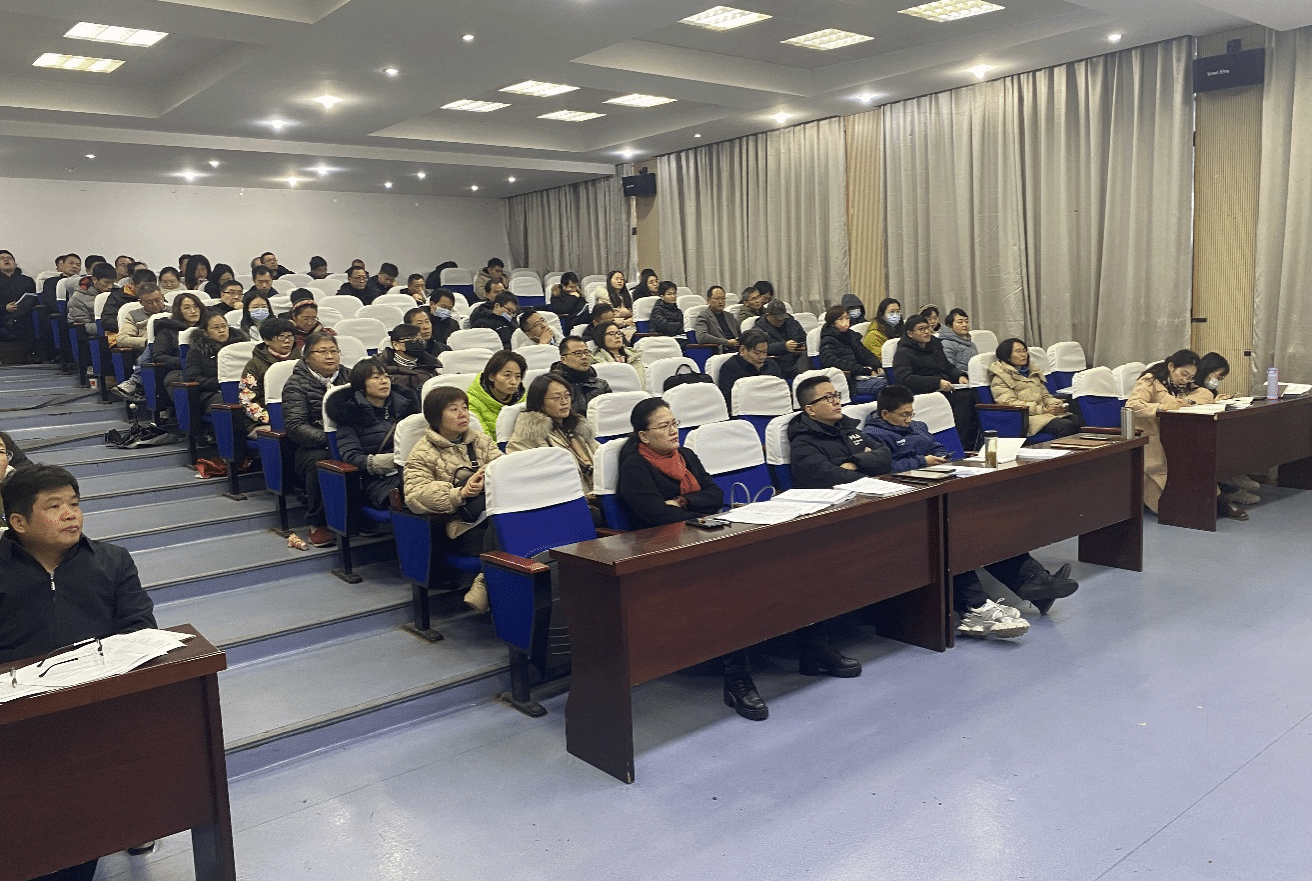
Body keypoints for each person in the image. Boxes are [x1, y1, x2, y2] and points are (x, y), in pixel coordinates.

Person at [0, 464, 158, 881]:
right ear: (18, 522)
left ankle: (122, 825)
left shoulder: (112, 560)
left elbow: (140, 629)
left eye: (74, 503)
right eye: (54, 507)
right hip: (19, 714)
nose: (70, 514)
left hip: (97, 703)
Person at [615, 398, 777, 719]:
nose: (673, 430)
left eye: (674, 423)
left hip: (703, 535)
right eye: (664, 426)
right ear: (644, 436)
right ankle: (737, 679)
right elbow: (655, 515)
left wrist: (682, 501)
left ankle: (812, 646)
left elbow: (715, 495)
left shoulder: (686, 455)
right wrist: (693, 506)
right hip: (662, 551)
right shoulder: (635, 466)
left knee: (777, 562)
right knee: (729, 585)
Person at [403, 385, 502, 613]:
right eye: (454, 409)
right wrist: (460, 493)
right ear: (436, 417)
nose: (463, 414)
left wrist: (487, 476)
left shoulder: (481, 440)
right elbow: (414, 495)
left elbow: (503, 467)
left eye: (465, 408)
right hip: (460, 526)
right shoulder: (421, 453)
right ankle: (491, 587)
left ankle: (485, 581)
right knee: (506, 531)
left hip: (492, 511)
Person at [1126, 350, 1246, 520]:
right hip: (1150, 438)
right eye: (1183, 374)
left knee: (1195, 462)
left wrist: (1189, 402)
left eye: (1190, 377)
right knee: (1164, 484)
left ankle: (1217, 501)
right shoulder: (1150, 380)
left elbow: (1204, 395)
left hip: (1174, 436)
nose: (1185, 379)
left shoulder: (1185, 385)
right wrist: (1160, 408)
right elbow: (1132, 405)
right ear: (1171, 366)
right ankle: (1181, 506)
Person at [507, 374, 602, 522]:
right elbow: (526, 479)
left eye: (567, 396)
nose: (564, 402)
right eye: (556, 398)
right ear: (540, 402)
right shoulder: (527, 435)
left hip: (594, 494)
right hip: (564, 502)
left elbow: (601, 457)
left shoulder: (577, 427)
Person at [284, 332, 349, 547]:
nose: (330, 356)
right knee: (321, 461)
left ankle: (357, 517)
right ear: (307, 356)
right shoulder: (295, 384)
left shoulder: (350, 377)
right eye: (322, 351)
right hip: (311, 447)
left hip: (349, 440)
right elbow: (296, 426)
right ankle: (317, 523)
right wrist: (329, 440)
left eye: (334, 351)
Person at [325, 359, 418, 510]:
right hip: (378, 480)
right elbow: (351, 457)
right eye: (376, 377)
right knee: (420, 492)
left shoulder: (405, 408)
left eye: (386, 376)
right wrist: (392, 461)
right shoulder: (349, 414)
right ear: (361, 384)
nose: (384, 381)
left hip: (412, 471)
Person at [788, 376, 892, 488]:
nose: (837, 402)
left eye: (836, 395)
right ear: (811, 410)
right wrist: (867, 462)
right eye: (828, 397)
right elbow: (830, 477)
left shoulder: (848, 429)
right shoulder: (803, 443)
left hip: (870, 488)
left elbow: (885, 456)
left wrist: (854, 463)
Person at [893, 314, 978, 451]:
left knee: (972, 394)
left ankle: (970, 443)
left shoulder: (935, 344)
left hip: (942, 387)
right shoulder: (903, 352)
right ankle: (957, 443)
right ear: (910, 333)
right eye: (921, 329)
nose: (927, 332)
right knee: (964, 398)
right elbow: (904, 379)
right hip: (922, 391)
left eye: (928, 328)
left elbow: (947, 366)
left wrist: (959, 376)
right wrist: (936, 382)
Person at [1191, 352, 1261, 506]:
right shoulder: (1191, 386)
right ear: (1207, 370)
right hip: (1196, 432)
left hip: (1211, 428)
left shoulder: (1208, 390)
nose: (1217, 381)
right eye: (1218, 376)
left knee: (1239, 434)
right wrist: (1213, 402)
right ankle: (1231, 484)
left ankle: (1235, 477)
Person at [987, 339, 1081, 438]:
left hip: (1042, 414)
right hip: (1024, 418)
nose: (1024, 355)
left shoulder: (1032, 372)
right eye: (1018, 351)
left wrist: (1055, 405)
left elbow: (1045, 395)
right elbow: (1009, 403)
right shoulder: (1000, 378)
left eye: (1024, 351)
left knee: (1076, 420)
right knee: (1065, 426)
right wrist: (1042, 410)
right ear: (1007, 355)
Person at [862, 384, 952, 471]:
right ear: (885, 414)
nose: (909, 420)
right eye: (904, 415)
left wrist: (941, 457)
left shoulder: (918, 426)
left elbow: (934, 445)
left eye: (911, 414)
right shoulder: (872, 436)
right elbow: (882, 468)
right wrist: (922, 462)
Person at [238, 317, 299, 434]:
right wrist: (272, 419)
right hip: (262, 421)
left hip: (297, 418)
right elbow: (246, 399)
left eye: (290, 336)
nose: (287, 341)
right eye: (281, 337)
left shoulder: (302, 361)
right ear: (267, 340)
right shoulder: (254, 365)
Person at [187, 308, 247, 414]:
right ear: (205, 332)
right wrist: (221, 383)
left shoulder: (241, 347)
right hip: (212, 393)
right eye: (215, 327)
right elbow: (193, 378)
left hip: (243, 389)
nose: (221, 330)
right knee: (233, 404)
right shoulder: (197, 351)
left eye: (224, 326)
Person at [818, 304, 886, 398]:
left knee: (893, 378)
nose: (845, 321)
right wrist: (863, 370)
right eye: (840, 319)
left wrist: (876, 365)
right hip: (849, 382)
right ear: (832, 322)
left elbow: (865, 353)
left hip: (862, 375)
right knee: (886, 385)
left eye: (847, 318)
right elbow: (830, 361)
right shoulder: (828, 339)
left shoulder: (851, 336)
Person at [467, 349, 526, 437]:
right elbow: (483, 440)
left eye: (518, 376)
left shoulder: (524, 400)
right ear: (491, 376)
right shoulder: (471, 402)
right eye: (507, 375)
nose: (513, 382)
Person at [716, 328, 781, 407]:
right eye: (757, 353)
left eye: (765, 352)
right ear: (742, 350)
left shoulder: (772, 365)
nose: (762, 357)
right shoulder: (729, 368)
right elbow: (728, 400)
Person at [550, 337, 613, 415]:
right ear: (563, 359)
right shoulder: (552, 386)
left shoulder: (601, 385)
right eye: (578, 353)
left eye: (586, 352)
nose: (584, 357)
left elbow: (609, 413)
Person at [376, 323, 440, 391]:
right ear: (396, 345)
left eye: (420, 341)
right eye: (412, 341)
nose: (417, 344)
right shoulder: (380, 368)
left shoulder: (430, 365)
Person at [755, 299, 808, 381]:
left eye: (783, 318)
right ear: (768, 315)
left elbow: (804, 337)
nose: (781, 321)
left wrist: (803, 345)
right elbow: (758, 349)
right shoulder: (759, 329)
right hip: (778, 362)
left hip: (797, 358)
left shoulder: (792, 322)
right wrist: (783, 347)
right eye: (777, 319)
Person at [592, 319, 646, 386]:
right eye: (611, 334)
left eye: (619, 333)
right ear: (600, 337)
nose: (617, 336)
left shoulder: (634, 355)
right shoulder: (598, 360)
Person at [0, 249, 37, 342]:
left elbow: (34, 296)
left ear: (15, 264)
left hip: (25, 316)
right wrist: (4, 307)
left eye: (9, 258)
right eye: (2, 258)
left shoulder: (27, 280)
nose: (6, 260)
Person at [694, 285, 738, 352]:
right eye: (717, 299)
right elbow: (702, 337)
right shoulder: (703, 316)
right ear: (708, 300)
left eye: (723, 299)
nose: (721, 302)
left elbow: (740, 332)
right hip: (721, 350)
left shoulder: (729, 316)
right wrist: (726, 342)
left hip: (738, 348)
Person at [938, 308, 977, 377]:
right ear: (950, 326)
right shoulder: (946, 344)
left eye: (966, 322)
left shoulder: (971, 344)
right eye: (960, 322)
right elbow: (947, 369)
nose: (965, 325)